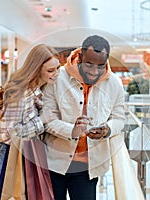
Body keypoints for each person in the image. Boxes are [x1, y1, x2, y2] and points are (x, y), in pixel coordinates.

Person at [42, 35, 126, 200]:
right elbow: (48, 119)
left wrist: (107, 129)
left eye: (100, 66)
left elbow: (119, 118)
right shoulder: (58, 78)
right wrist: (72, 130)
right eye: (89, 64)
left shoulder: (114, 84)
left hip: (88, 167)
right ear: (80, 57)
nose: (94, 71)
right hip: (54, 163)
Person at [0, 44, 60, 200]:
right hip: (1, 158)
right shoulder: (20, 92)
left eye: (58, 68)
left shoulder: (39, 90)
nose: (56, 74)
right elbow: (8, 135)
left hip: (20, 156)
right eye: (50, 71)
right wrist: (42, 120)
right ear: (36, 69)